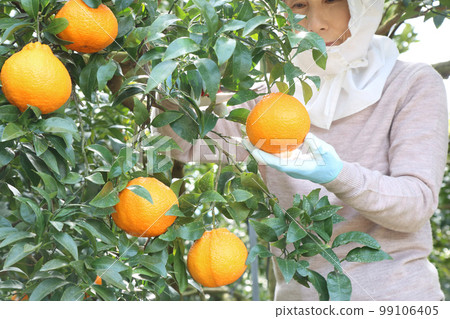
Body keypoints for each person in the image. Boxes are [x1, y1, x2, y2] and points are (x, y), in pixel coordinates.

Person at [158, 0, 448, 300]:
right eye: (299, 5)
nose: (315, 23)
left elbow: (417, 205)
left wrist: (339, 175)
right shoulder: (266, 97)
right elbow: (186, 141)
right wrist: (181, 77)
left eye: (331, 0)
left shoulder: (410, 83)